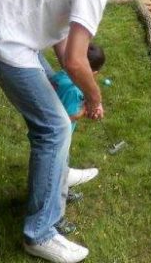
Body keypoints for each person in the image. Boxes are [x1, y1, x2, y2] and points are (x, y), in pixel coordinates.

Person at [0, 0, 144, 263]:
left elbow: (63, 41)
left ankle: (57, 172)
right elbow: (76, 60)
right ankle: (40, 234)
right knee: (55, 127)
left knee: (54, 105)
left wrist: (76, 82)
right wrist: (93, 97)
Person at [48, 43, 106, 236]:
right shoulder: (74, 91)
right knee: (57, 167)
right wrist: (84, 111)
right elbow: (68, 116)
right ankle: (57, 204)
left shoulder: (61, 77)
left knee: (60, 165)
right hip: (60, 134)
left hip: (49, 130)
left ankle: (64, 189)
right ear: (93, 73)